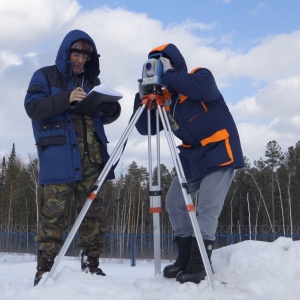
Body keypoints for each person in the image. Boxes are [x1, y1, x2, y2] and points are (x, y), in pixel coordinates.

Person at [134, 43, 244, 284]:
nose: (159, 66)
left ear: (175, 64)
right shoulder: (168, 100)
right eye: (154, 62)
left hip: (219, 152)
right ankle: (184, 257)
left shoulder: (200, 77)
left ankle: (200, 262)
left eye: (164, 61)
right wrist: (142, 95)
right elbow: (145, 128)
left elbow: (202, 88)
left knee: (206, 207)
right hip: (192, 159)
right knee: (175, 202)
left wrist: (170, 75)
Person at [24, 29, 121, 286]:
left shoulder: (92, 84)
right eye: (76, 53)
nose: (80, 60)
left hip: (92, 159)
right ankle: (44, 267)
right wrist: (66, 98)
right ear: (66, 52)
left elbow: (100, 118)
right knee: (53, 215)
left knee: (94, 214)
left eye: (85, 57)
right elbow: (33, 108)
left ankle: (91, 263)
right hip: (60, 157)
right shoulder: (44, 76)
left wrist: (111, 109)